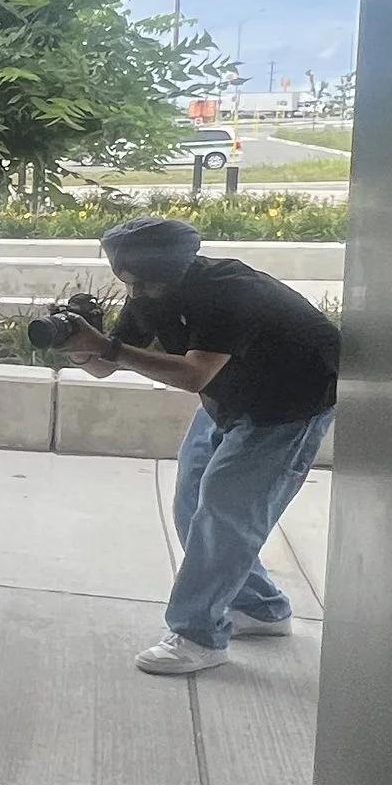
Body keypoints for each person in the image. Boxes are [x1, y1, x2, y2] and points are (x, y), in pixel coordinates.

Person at [57, 216, 339, 677]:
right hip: (228, 399)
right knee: (191, 502)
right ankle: (261, 609)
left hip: (289, 404)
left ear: (172, 268)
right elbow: (106, 365)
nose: (134, 292)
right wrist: (80, 347)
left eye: (142, 282)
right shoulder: (148, 294)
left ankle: (197, 636)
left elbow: (192, 374)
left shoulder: (229, 290)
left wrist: (108, 349)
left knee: (227, 513)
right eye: (126, 281)